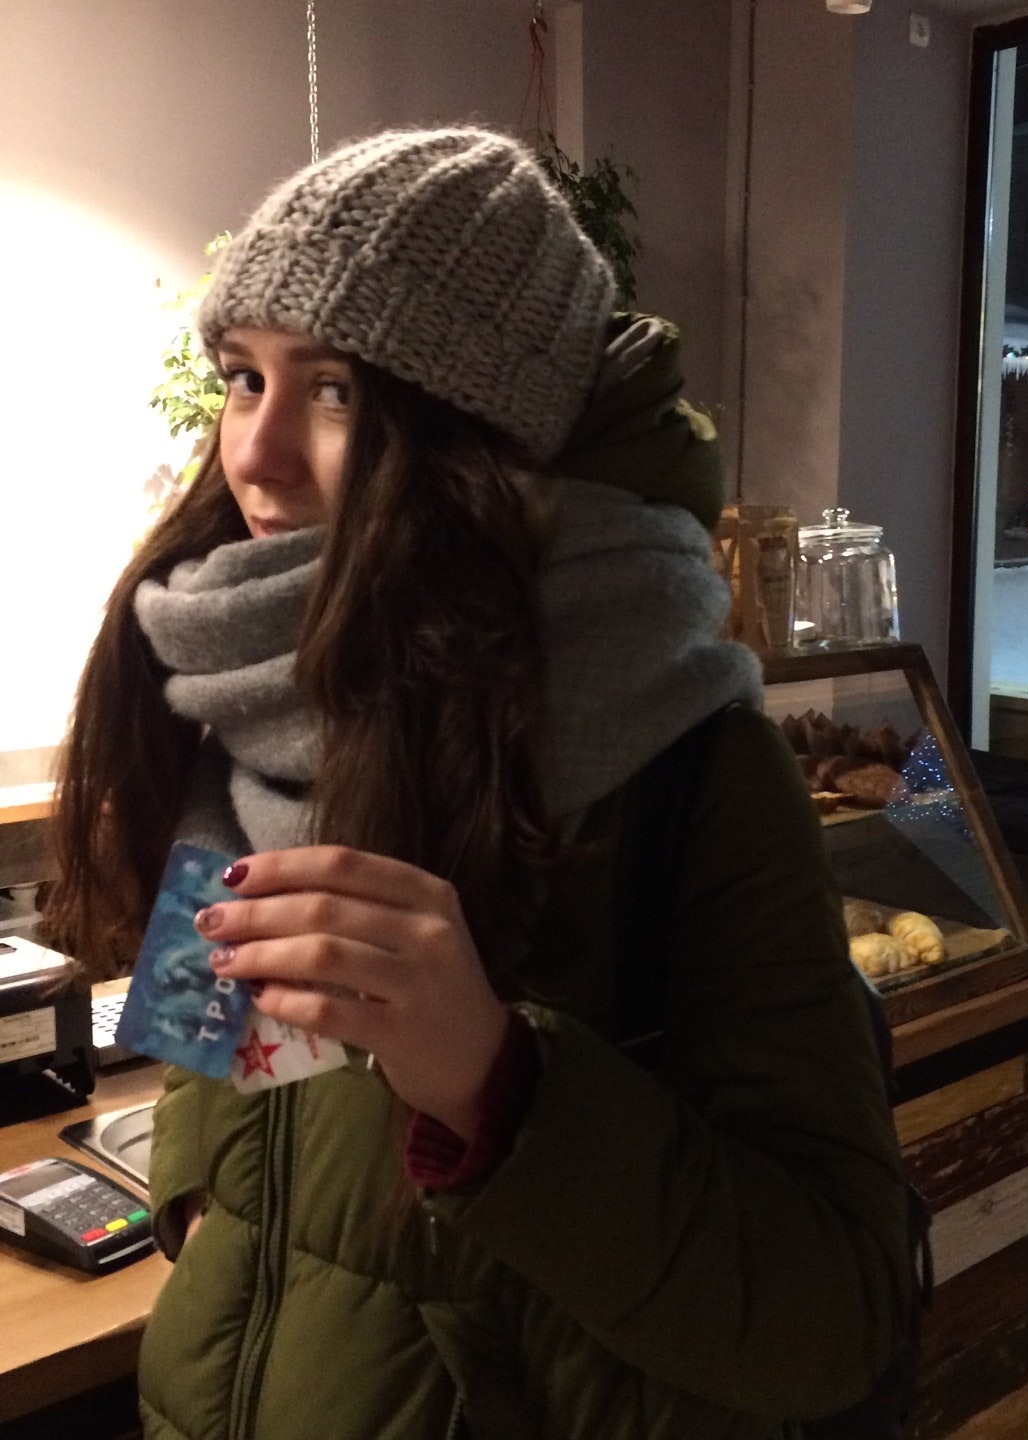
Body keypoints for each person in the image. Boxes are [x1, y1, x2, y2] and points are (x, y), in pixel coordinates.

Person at [43, 127, 911, 1440]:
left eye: (335, 390)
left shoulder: (689, 761)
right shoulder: (258, 688)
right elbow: (203, 1047)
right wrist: (201, 1208)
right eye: (243, 378)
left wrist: (498, 1082)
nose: (254, 454)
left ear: (474, 430)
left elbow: (833, 1313)